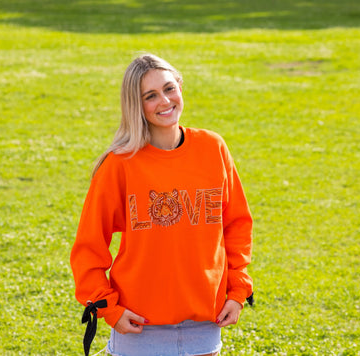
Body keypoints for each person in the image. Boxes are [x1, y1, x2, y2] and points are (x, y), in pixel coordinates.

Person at [71, 53, 253, 356]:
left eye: (169, 88)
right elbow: (89, 245)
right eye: (150, 96)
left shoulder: (213, 148)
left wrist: (237, 291)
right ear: (136, 105)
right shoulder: (119, 164)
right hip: (139, 327)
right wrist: (108, 306)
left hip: (205, 323)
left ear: (180, 87)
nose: (164, 101)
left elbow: (236, 225)